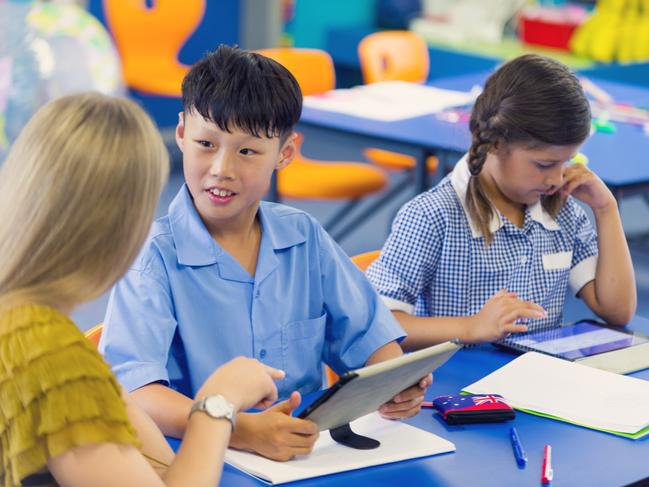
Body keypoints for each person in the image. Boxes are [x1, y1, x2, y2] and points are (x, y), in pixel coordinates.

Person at [99, 45, 429, 462]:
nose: (222, 168)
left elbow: (371, 338)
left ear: (286, 152)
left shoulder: (304, 236)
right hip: (197, 459)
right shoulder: (151, 258)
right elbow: (136, 394)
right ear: (181, 133)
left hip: (307, 455)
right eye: (206, 143)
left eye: (248, 151)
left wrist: (392, 381)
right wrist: (241, 429)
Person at [0, 92, 284, 487]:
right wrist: (218, 402)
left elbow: (162, 468)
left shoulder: (31, 329)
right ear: (123, 228)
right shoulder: (51, 355)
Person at [366, 54, 636, 351]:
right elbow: (379, 324)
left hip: (536, 382)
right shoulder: (432, 216)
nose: (557, 179)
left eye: (566, 162)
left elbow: (617, 311)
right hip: (456, 385)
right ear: (496, 144)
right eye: (544, 164)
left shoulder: (561, 210)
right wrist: (470, 327)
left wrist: (606, 209)